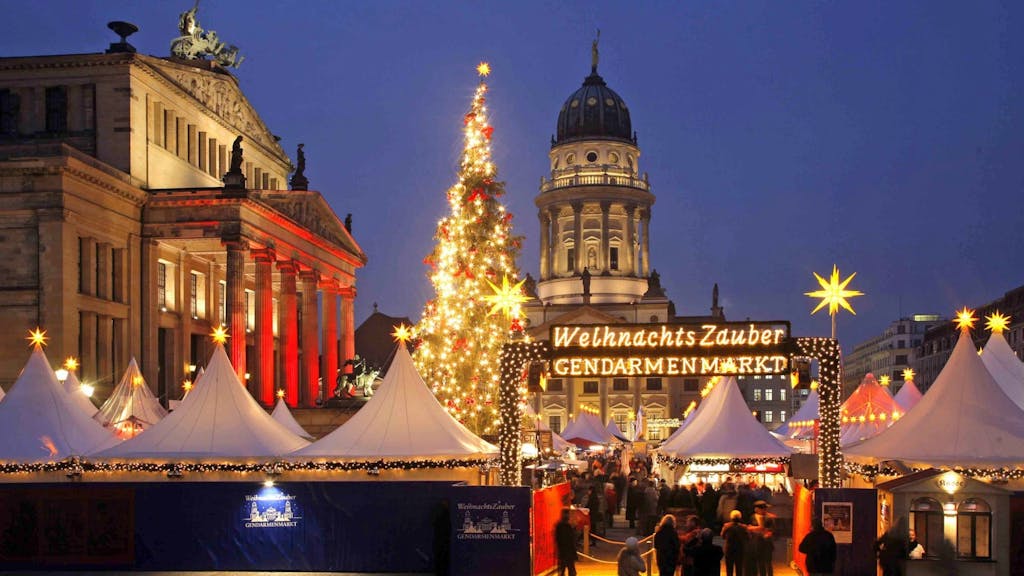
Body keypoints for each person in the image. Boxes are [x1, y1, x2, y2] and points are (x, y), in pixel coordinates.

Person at [747, 501, 775, 576]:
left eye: (765, 508)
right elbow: (749, 528)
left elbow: (772, 530)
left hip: (767, 543)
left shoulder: (769, 517)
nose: (765, 510)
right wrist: (758, 528)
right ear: (756, 509)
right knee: (760, 562)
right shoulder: (752, 517)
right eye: (763, 509)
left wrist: (766, 532)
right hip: (756, 544)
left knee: (768, 563)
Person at [720, 510, 748, 576]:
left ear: (731, 517)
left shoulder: (726, 526)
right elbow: (748, 537)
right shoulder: (743, 527)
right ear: (740, 517)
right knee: (739, 569)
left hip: (729, 550)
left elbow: (722, 536)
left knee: (729, 569)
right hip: (740, 550)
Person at [555, 508, 578, 576]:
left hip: (564, 551)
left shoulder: (560, 525)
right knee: (569, 570)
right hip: (567, 551)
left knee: (564, 570)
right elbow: (571, 539)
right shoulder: (566, 526)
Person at [432, 499, 451, 576]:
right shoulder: (446, 515)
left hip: (440, 541)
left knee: (440, 558)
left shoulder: (438, 514)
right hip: (443, 541)